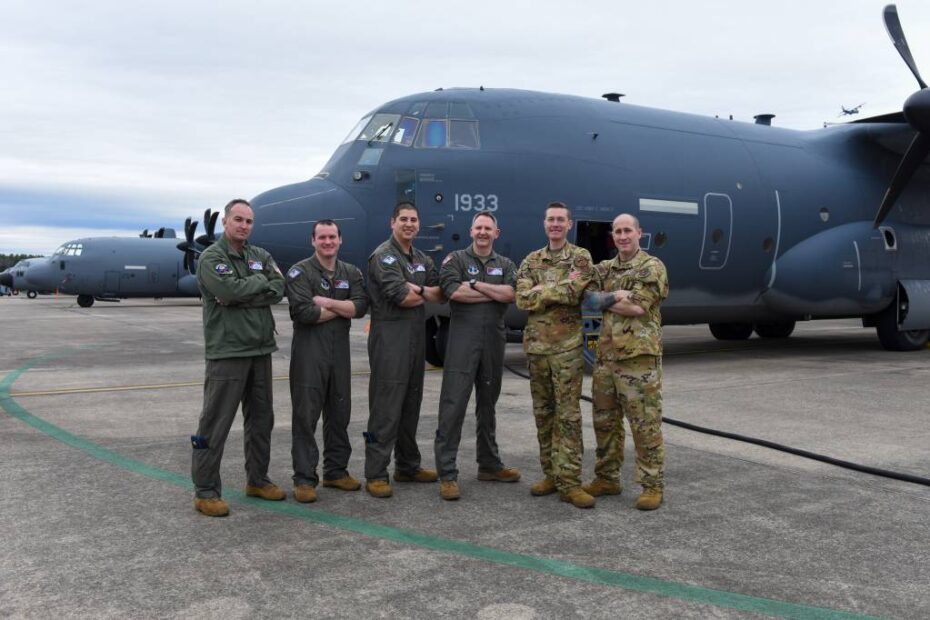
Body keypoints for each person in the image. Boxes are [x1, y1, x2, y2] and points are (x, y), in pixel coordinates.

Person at [190, 198, 286, 517]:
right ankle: (205, 490)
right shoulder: (211, 258)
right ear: (226, 222)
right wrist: (250, 291)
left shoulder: (260, 255)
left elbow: (278, 287)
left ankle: (257, 480)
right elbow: (227, 293)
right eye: (238, 219)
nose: (244, 225)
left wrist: (244, 292)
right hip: (228, 351)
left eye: (249, 221)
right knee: (215, 422)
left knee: (261, 421)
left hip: (260, 350)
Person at [433, 211, 521, 501]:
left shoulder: (506, 264)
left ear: (497, 233)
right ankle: (447, 473)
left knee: (488, 404)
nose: (483, 232)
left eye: (488, 228)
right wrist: (492, 292)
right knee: (453, 405)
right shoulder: (455, 260)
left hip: (493, 341)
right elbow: (452, 292)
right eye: (479, 227)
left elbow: (511, 294)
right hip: (462, 341)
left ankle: (489, 464)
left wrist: (475, 285)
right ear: (471, 231)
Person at [583, 213, 668, 510]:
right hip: (606, 359)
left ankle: (652, 485)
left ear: (639, 233)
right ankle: (607, 478)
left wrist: (605, 298)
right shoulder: (606, 268)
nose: (622, 236)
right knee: (605, 422)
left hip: (638, 361)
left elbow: (637, 307)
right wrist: (613, 296)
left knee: (645, 424)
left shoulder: (651, 266)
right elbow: (584, 295)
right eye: (617, 231)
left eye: (627, 230)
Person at [515, 202, 596, 509]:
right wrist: (557, 287)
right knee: (544, 415)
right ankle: (551, 474)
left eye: (561, 220)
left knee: (569, 416)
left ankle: (571, 482)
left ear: (569, 224)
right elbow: (522, 299)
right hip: (536, 350)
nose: (555, 224)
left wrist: (541, 290)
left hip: (567, 350)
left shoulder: (580, 257)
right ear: (544, 223)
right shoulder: (531, 259)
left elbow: (575, 292)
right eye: (551, 219)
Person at [364, 202, 444, 498]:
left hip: (415, 335)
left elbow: (439, 292)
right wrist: (422, 293)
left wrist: (419, 290)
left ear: (419, 225)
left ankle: (407, 465)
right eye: (403, 220)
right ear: (392, 223)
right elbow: (400, 297)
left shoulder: (422, 257)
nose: (409, 224)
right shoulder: (384, 256)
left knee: (411, 403)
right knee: (386, 407)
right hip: (390, 336)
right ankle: (375, 472)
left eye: (413, 220)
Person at [286, 220, 369, 503]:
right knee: (306, 416)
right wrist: (342, 307)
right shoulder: (300, 271)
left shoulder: (351, 272)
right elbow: (304, 312)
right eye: (322, 237)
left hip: (339, 352)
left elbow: (360, 307)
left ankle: (336, 471)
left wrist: (327, 302)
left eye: (332, 237)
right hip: (309, 353)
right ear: (313, 241)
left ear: (340, 240)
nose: (327, 242)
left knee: (339, 413)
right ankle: (305, 478)